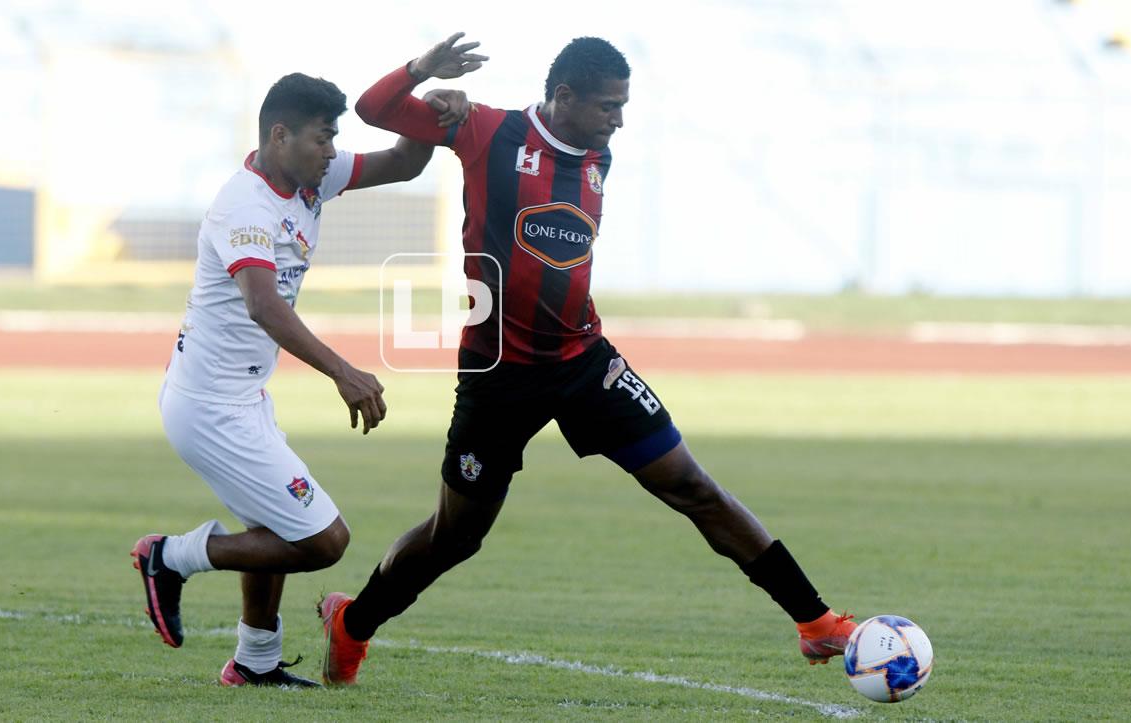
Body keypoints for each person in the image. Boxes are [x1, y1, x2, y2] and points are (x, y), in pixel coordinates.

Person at [318, 34, 856, 686]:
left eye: (623, 106)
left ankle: (816, 622)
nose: (619, 120)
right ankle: (352, 623)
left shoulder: (599, 152)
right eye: (609, 105)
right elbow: (374, 109)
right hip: (497, 376)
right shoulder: (484, 128)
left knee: (692, 485)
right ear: (564, 96)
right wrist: (422, 72)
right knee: (455, 537)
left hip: (584, 362)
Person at [131, 72, 469, 687]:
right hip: (210, 408)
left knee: (275, 525)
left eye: (335, 136)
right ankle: (168, 557)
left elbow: (403, 162)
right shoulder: (246, 204)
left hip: (242, 398)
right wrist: (344, 372)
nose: (333, 150)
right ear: (280, 136)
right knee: (323, 540)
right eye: (323, 137)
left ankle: (255, 662)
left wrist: (424, 98)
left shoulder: (309, 179)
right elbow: (264, 305)